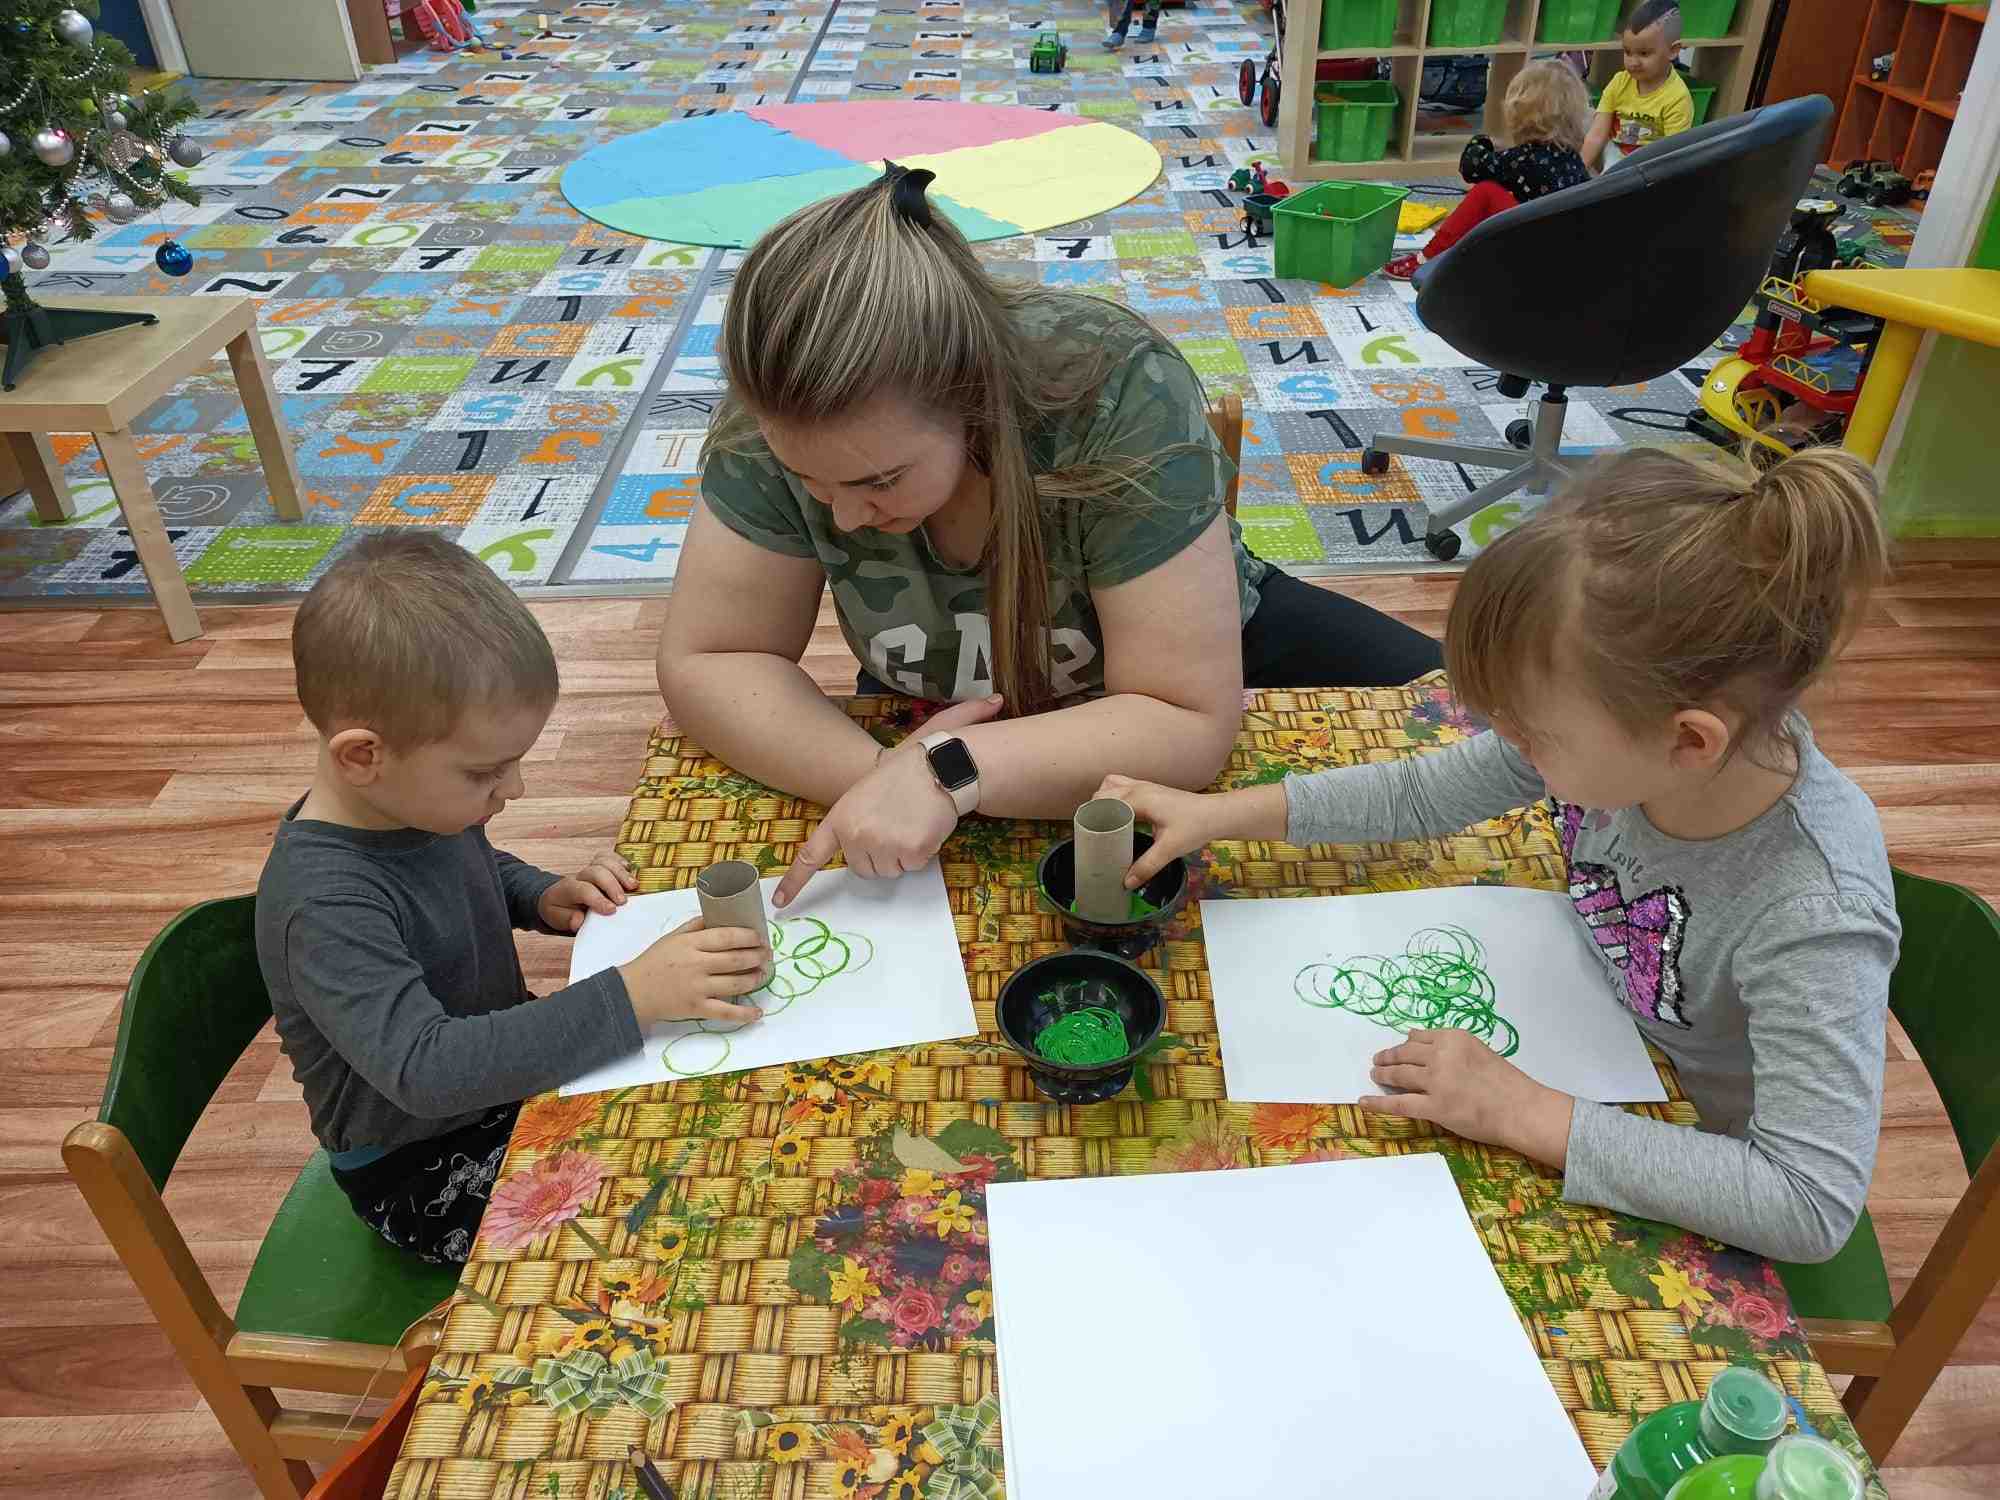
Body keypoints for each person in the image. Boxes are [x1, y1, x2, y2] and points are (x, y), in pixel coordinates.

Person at [1098, 445, 1899, 1264]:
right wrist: (1217, 815)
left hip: (1683, 1151)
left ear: (1690, 741)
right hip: (1589, 1038)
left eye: (1533, 736)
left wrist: (1521, 1109)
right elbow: (1422, 794)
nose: (1511, 748)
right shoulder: (1632, 738)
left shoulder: (1814, 915)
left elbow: (1807, 1205)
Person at [657, 166, 1441, 908]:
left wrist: (943, 770)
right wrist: (886, 775)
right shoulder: (777, 405)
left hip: (1206, 648)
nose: (843, 519)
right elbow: (712, 659)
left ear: (971, 396)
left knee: (1475, 714)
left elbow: (1182, 717)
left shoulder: (1117, 386)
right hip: (930, 706)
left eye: (879, 482)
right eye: (808, 482)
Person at [256, 532, 769, 1264]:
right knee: (671, 1215)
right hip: (423, 1165)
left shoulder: (408, 805)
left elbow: (469, 866)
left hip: (500, 1084)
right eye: (486, 773)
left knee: (712, 1113)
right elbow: (428, 1071)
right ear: (363, 755)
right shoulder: (324, 907)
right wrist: (631, 996)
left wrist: (538, 895)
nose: (516, 789)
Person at [1386, 59, 1591, 281]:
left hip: (1532, 246)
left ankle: (1427, 259)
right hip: (1564, 252)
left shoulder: (1522, 158)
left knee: (1486, 191)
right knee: (1507, 192)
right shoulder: (1573, 160)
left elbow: (1471, 167)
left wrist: (1484, 140)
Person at [1584, 0, 1695, 172]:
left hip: (1652, 166)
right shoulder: (1619, 82)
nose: (1633, 62)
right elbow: (1597, 134)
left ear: (1673, 51)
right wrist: (1579, 170)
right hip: (1615, 155)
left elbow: (1671, 157)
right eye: (1627, 52)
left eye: (1644, 53)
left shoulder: (1678, 98)